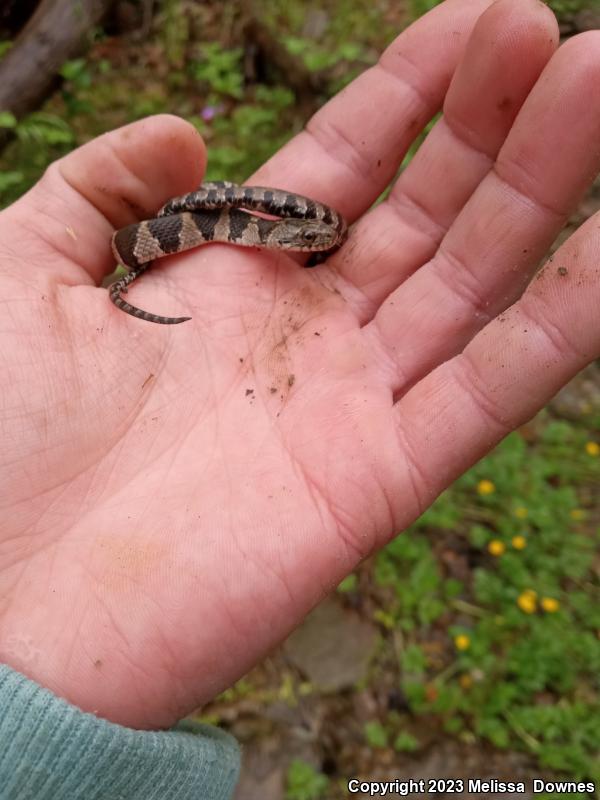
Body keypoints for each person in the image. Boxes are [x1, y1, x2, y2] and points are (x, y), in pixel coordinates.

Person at [1, 0, 599, 797]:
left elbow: (297, 230)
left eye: (306, 239)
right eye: (292, 236)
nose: (300, 242)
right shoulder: (228, 228)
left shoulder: (289, 232)